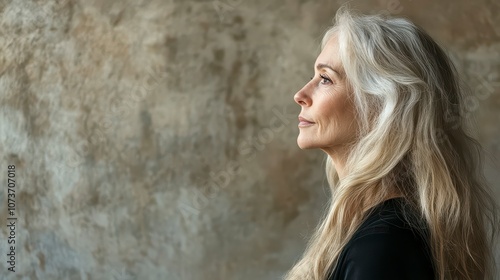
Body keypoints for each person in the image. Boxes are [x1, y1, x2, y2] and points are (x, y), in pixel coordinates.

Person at [284, 6, 499, 280]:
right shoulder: (380, 232)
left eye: (325, 79)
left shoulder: (380, 247)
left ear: (383, 105)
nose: (300, 95)